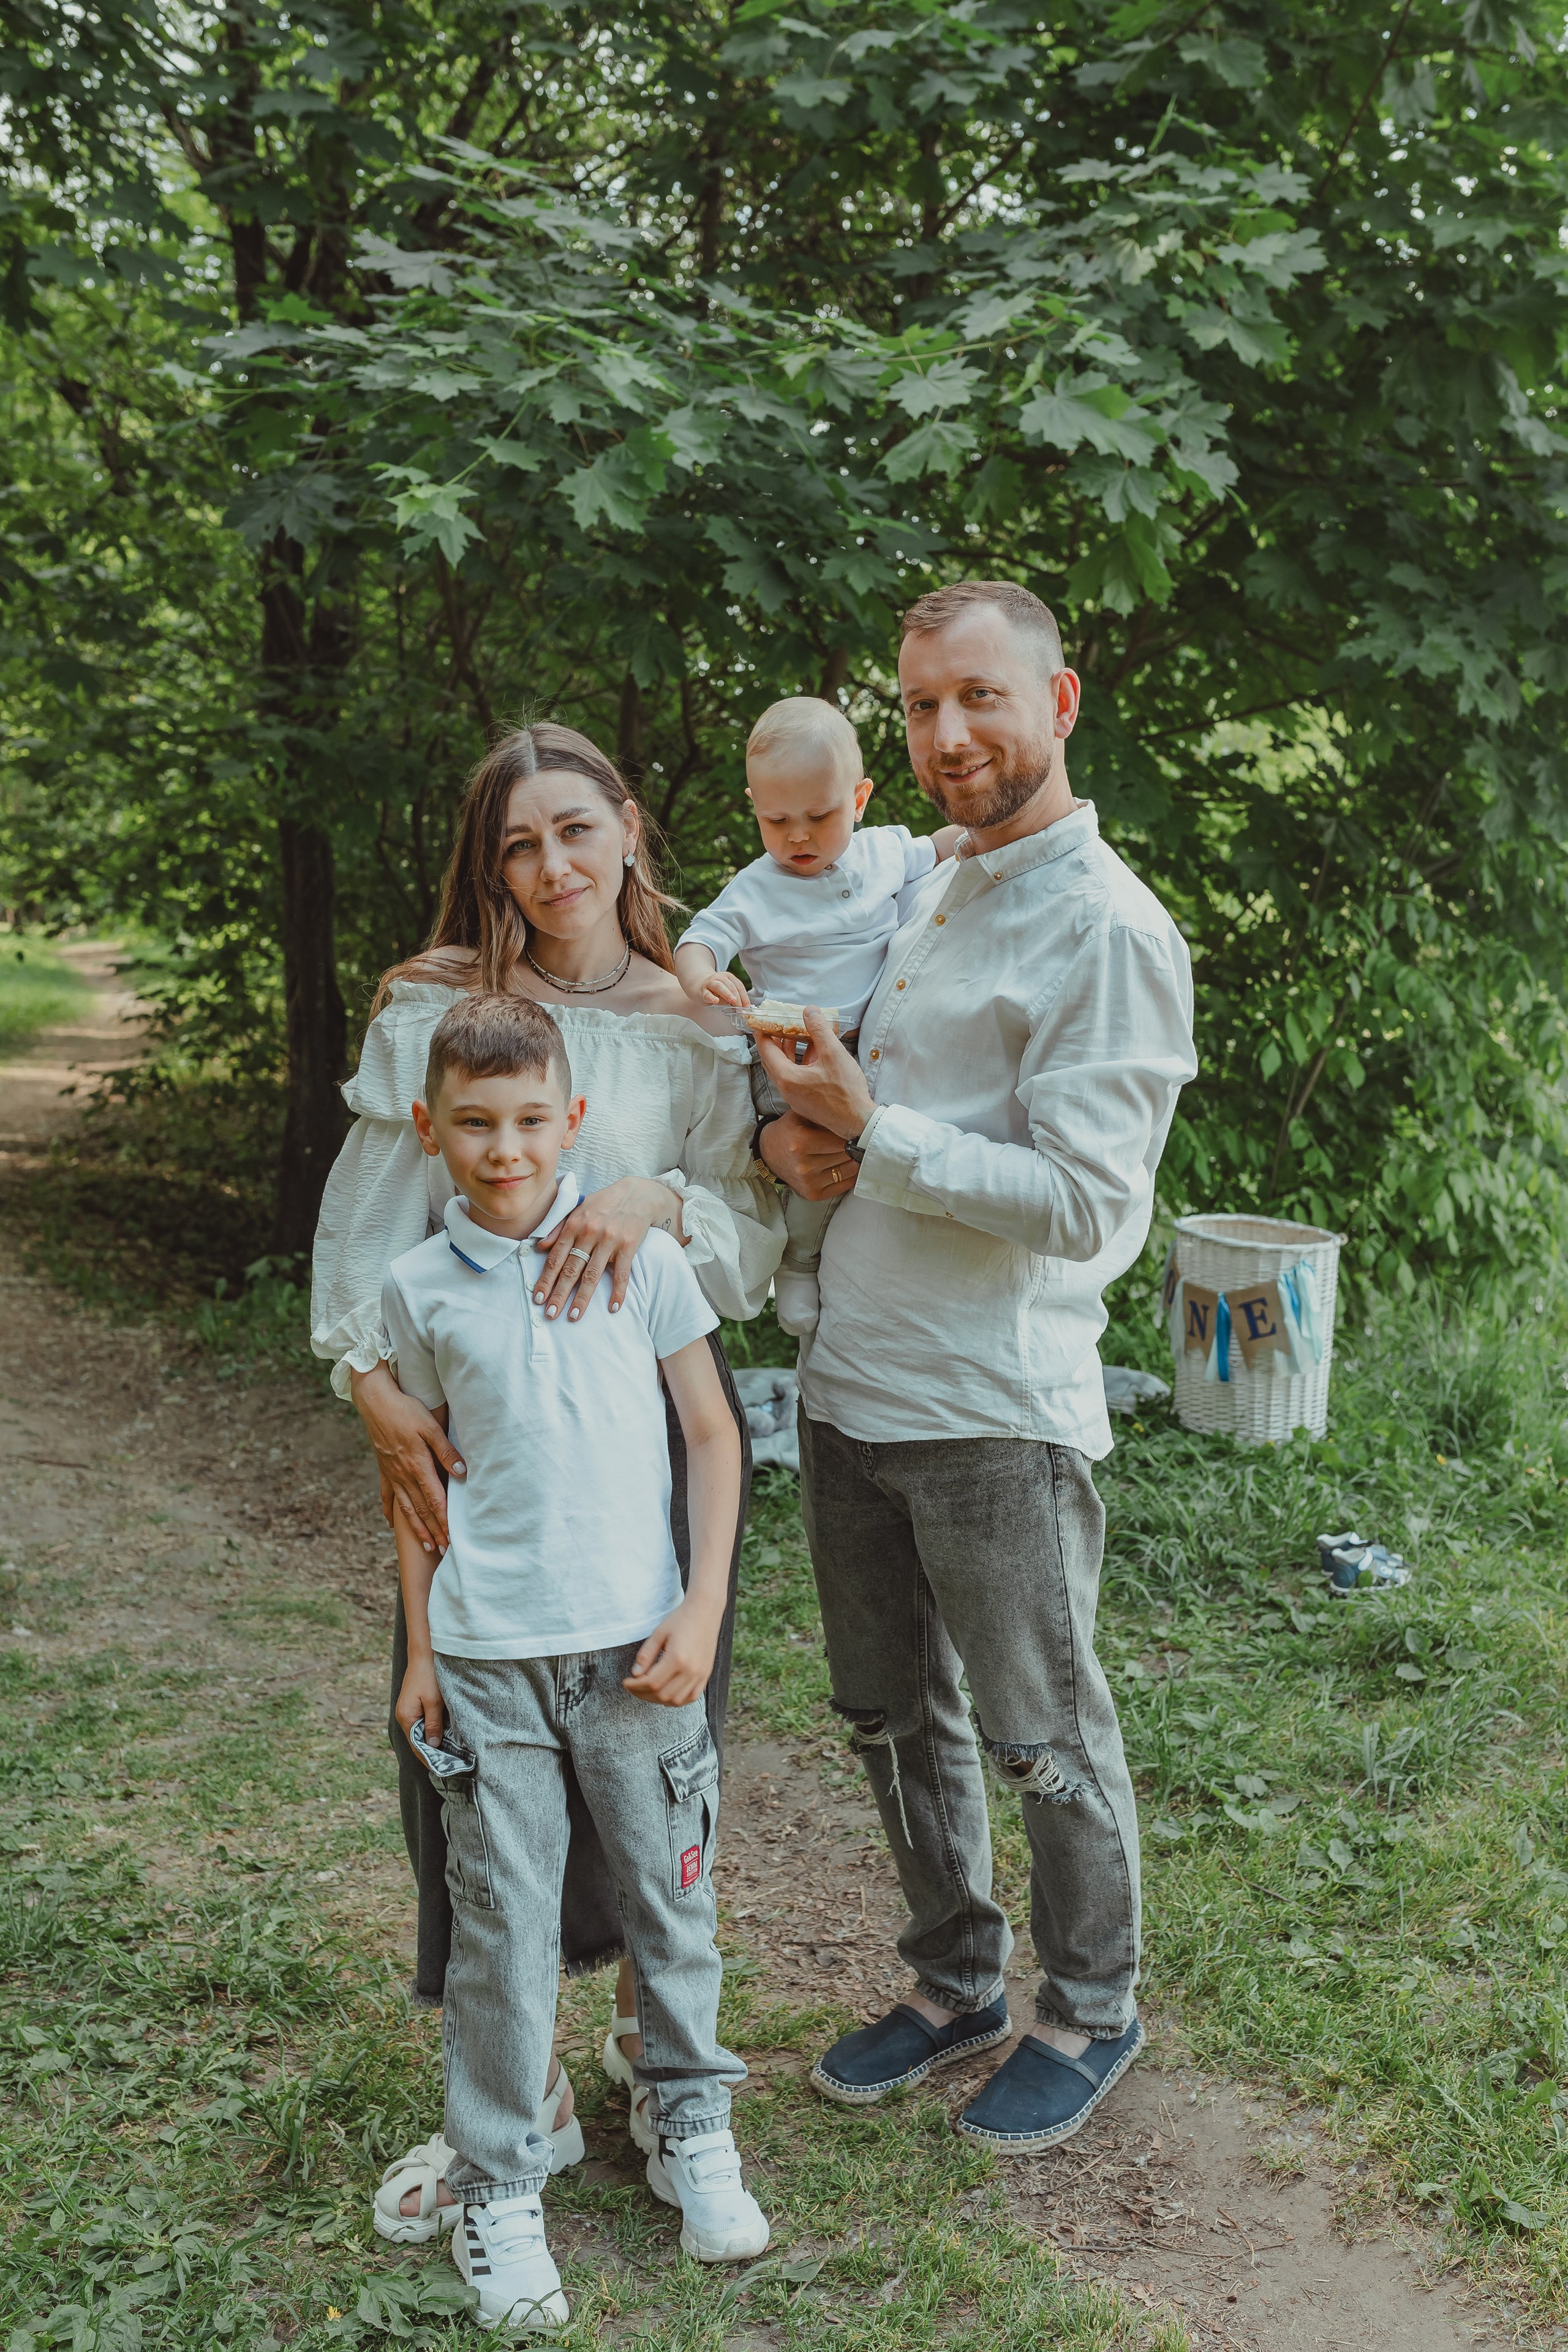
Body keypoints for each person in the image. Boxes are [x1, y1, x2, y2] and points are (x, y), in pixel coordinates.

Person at [309, 723, 785, 2238]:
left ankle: (664, 2072)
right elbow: (364, 1234)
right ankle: (520, 2100)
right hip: (482, 1467)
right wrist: (368, 1386)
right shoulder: (444, 1013)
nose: (553, 866)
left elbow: (753, 1240)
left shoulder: (694, 1022)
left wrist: (652, 1197)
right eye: (517, 843)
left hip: (642, 1456)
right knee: (469, 1775)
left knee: (656, 1776)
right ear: (489, 862)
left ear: (630, 829)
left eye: (575, 829)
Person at [752, 581, 1198, 2154]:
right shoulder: (919, 875)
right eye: (923, 704)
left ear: (1057, 701)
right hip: (846, 1383)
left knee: (1039, 1729)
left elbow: (1090, 1205)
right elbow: (830, 1080)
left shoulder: (1109, 926)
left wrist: (877, 1131)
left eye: (979, 699)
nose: (947, 735)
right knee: (889, 1713)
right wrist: (794, 1136)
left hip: (991, 1411)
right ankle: (951, 1980)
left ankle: (1089, 2005)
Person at [386, 992, 769, 2328]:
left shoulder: (638, 1262)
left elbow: (712, 1439)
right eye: (477, 1125)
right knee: (502, 1926)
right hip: (489, 1661)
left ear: (574, 1124)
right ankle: (498, 2189)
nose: (506, 1150)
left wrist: (703, 1604)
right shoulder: (417, 1289)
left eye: (531, 1122)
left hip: (637, 1649)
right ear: (431, 1130)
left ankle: (689, 2123)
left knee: (672, 1899)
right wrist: (421, 1653)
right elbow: (418, 1489)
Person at [673, 695, 962, 1334]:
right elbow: (700, 937)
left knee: (885, 1145)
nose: (797, 836)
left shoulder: (882, 852)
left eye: (819, 815)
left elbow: (939, 847)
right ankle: (798, 1263)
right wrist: (703, 975)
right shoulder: (756, 887)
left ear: (858, 800)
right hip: (793, 1050)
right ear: (754, 808)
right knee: (819, 1156)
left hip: (876, 1046)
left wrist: (982, 836)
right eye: (776, 820)